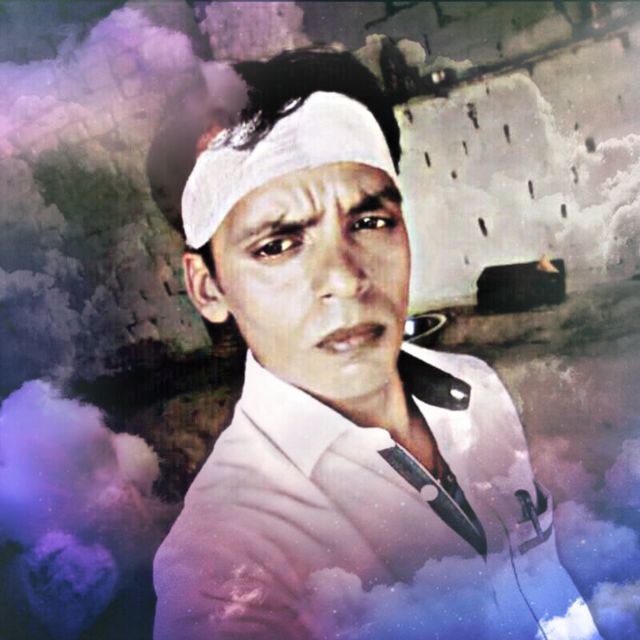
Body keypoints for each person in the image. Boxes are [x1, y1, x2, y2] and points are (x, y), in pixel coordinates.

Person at [153, 50, 600, 640]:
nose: (344, 277)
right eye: (278, 245)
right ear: (208, 288)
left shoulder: (475, 389)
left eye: (369, 223)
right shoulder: (225, 561)